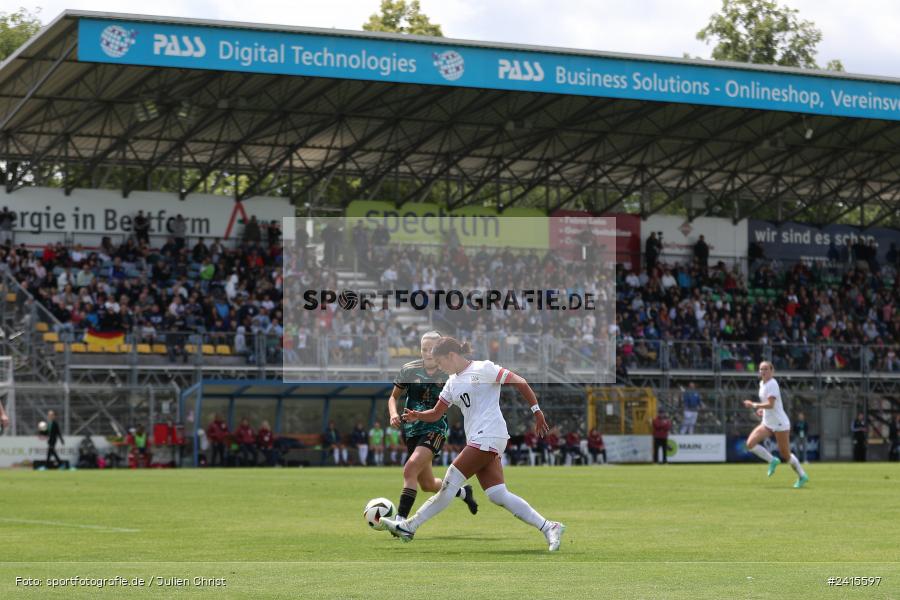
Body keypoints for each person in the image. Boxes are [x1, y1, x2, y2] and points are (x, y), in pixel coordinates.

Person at [381, 337, 565, 552]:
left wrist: (537, 412)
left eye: (440, 362)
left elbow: (519, 381)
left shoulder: (483, 368)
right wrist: (417, 415)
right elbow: (436, 413)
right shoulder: (451, 382)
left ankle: (409, 527)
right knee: (497, 494)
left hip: (489, 435)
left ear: (451, 355)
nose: (439, 367)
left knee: (449, 484)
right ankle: (549, 526)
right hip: (481, 439)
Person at [387, 332, 478, 522]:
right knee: (427, 484)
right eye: (423, 349)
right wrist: (394, 414)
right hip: (411, 431)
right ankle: (462, 492)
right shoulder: (409, 370)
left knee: (409, 469)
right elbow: (393, 397)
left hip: (434, 430)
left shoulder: (448, 373)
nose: (428, 353)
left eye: (431, 349)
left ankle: (400, 520)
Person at [742, 361, 809, 488]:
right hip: (768, 422)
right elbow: (768, 404)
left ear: (772, 371)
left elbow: (771, 404)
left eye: (766, 369)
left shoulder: (772, 383)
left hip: (779, 423)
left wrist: (754, 405)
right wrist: (763, 410)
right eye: (761, 369)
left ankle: (802, 476)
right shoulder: (762, 383)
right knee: (750, 444)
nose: (763, 371)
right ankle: (772, 460)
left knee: (785, 454)